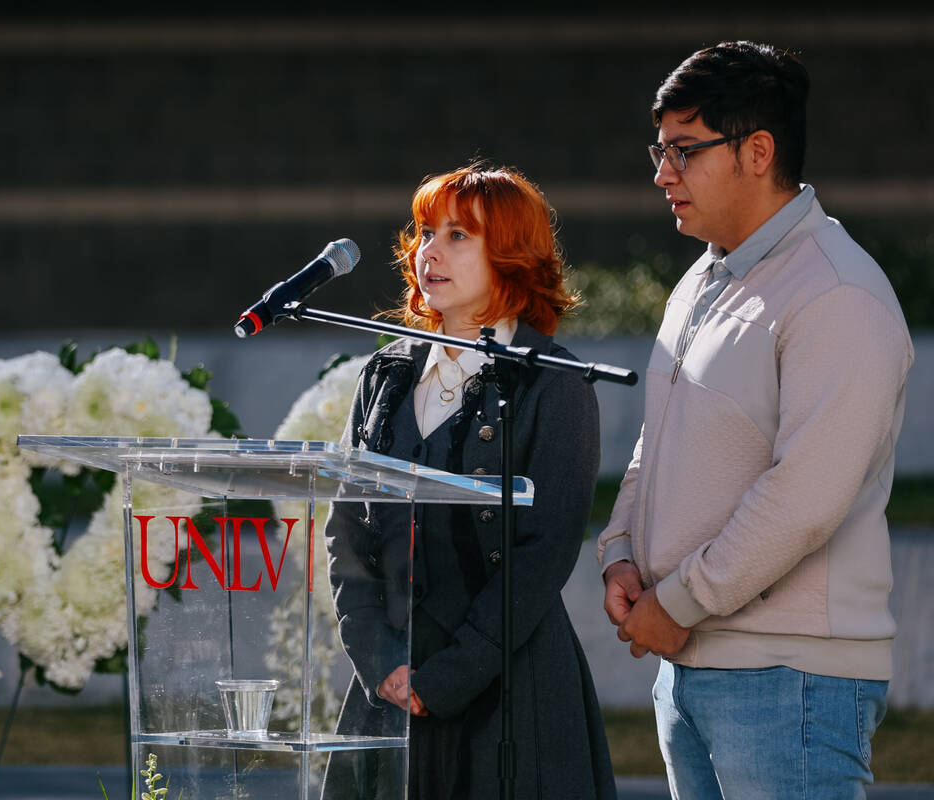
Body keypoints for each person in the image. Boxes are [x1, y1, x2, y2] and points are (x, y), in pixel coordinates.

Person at [597, 41, 914, 799]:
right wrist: (620, 552)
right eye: (659, 149)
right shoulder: (705, 276)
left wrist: (676, 604)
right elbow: (661, 434)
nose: (661, 173)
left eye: (683, 150)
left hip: (791, 682)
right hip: (693, 668)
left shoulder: (837, 293)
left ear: (757, 151)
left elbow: (805, 497)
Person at [323, 163, 616, 799]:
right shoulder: (386, 373)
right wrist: (380, 663)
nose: (431, 251)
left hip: (509, 692)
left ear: (510, 255)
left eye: (459, 236)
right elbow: (347, 530)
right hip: (388, 688)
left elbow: (545, 551)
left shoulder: (556, 384)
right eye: (427, 232)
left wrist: (448, 678)